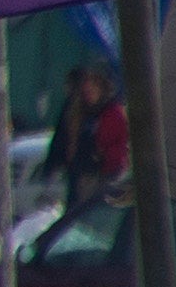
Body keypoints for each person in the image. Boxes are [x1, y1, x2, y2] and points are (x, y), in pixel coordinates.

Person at [55, 64, 135, 223]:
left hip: (103, 176)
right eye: (87, 87)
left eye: (93, 87)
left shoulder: (113, 114)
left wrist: (103, 161)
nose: (88, 92)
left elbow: (118, 147)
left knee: (89, 217)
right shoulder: (80, 110)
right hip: (80, 174)